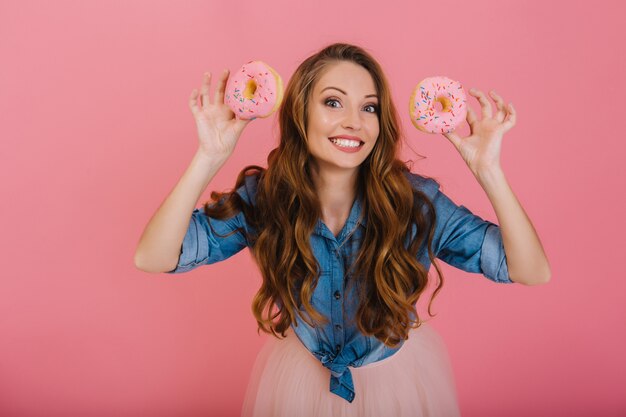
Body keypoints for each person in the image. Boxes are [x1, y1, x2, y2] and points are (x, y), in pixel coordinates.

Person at [134, 43, 551, 417]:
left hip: (397, 388)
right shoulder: (265, 197)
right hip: (299, 387)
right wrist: (208, 158)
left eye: (368, 107)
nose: (354, 121)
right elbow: (153, 257)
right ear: (300, 112)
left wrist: (489, 171)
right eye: (333, 102)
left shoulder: (415, 202)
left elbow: (531, 270)